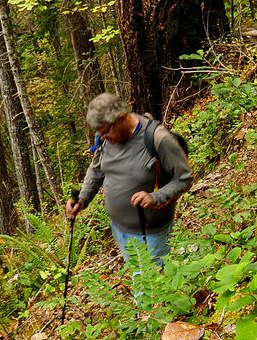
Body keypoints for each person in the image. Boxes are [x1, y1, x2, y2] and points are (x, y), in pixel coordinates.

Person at [66, 93, 193, 268]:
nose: (102, 137)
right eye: (99, 133)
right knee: (139, 276)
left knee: (151, 289)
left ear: (121, 118)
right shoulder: (105, 138)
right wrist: (83, 198)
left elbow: (184, 179)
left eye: (105, 132)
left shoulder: (157, 139)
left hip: (151, 234)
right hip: (119, 229)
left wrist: (155, 198)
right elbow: (96, 170)